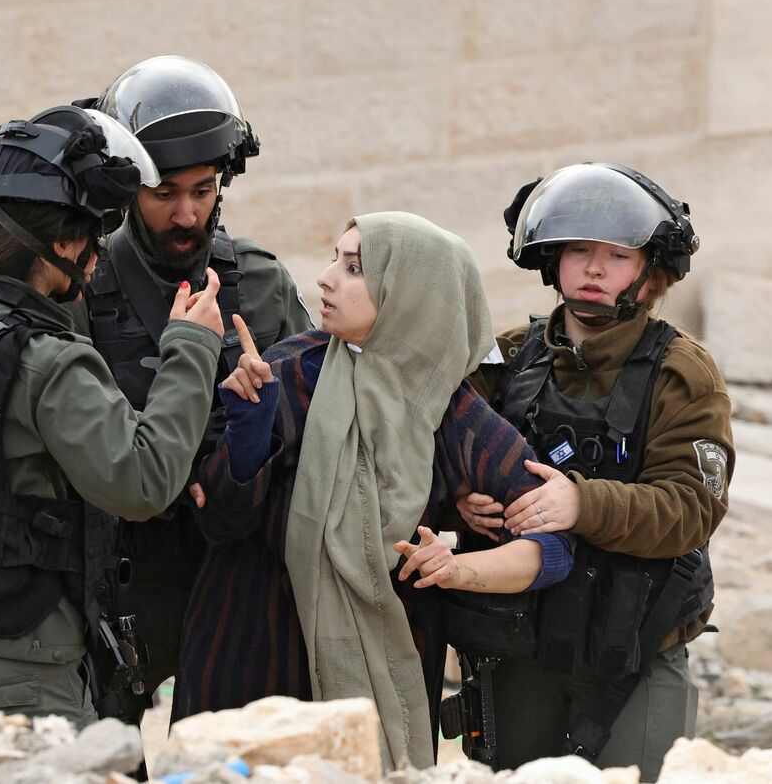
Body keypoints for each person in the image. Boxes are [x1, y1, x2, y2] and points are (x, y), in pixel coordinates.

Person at [0, 104, 225, 726]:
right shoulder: (45, 357)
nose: (99, 256)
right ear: (63, 242)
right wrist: (191, 346)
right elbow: (142, 482)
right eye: (95, 234)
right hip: (11, 682)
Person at [180, 212, 575, 771]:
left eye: (355, 267)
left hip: (380, 677)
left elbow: (554, 549)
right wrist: (248, 426)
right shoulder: (286, 371)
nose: (326, 278)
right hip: (251, 656)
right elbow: (220, 521)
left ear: (411, 292)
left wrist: (457, 565)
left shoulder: (448, 409)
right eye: (335, 259)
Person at [456, 162, 733, 780]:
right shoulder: (504, 361)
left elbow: (691, 509)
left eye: (617, 254)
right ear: (552, 260)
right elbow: (435, 448)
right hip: (522, 644)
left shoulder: (681, 375)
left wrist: (582, 506)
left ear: (650, 271)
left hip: (632, 650)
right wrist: (460, 499)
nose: (595, 269)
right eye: (579, 250)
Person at [78, 56, 313, 715]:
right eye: (164, 194)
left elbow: (314, 427)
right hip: (116, 578)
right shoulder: (84, 286)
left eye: (203, 191)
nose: (186, 214)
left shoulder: (260, 284)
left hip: (233, 578)